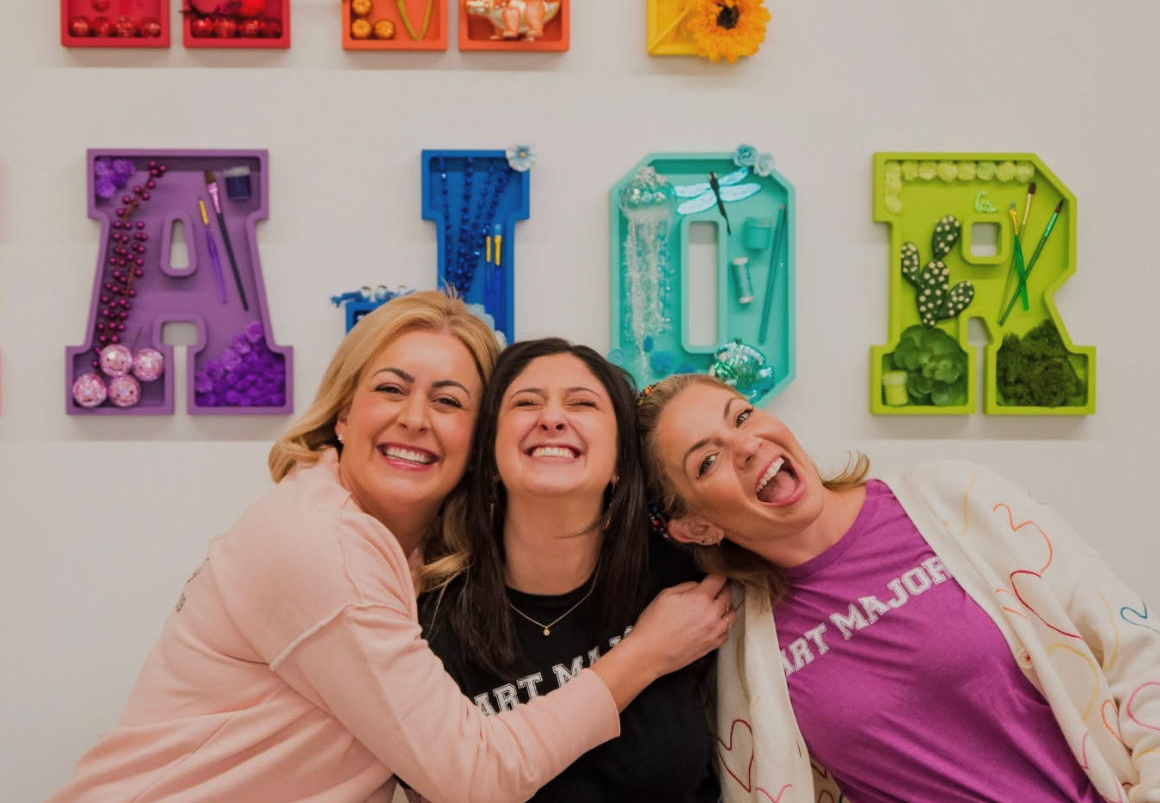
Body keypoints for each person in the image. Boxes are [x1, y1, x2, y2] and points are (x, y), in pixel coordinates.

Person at [47, 295, 735, 803]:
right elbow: (473, 777)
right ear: (343, 414)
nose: (414, 417)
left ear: (476, 439)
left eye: (448, 400)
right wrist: (644, 654)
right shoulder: (322, 546)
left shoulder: (426, 557)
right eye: (390, 389)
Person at [638, 373, 1160, 803]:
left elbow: (1133, 653)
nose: (747, 445)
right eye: (707, 461)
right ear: (695, 527)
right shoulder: (739, 648)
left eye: (743, 416)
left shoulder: (956, 500)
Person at [420, 339, 721, 802]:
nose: (553, 418)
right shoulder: (427, 618)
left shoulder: (685, 576)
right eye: (526, 403)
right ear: (491, 458)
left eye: (582, 403)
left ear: (622, 462)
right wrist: (648, 652)